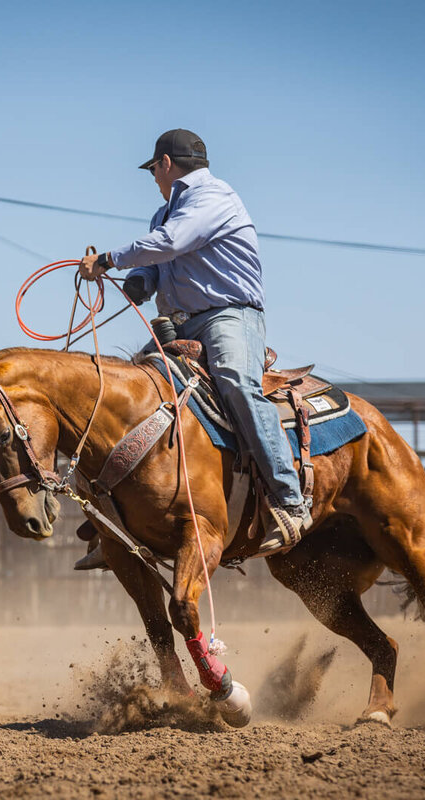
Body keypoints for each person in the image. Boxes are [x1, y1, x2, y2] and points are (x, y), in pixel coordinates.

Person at [77, 129, 312, 559]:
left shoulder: (214, 197)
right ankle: (114, 520)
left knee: (236, 382)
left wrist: (109, 259)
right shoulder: (163, 214)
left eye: (153, 170)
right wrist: (140, 281)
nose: (153, 179)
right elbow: (162, 260)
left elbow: (172, 243)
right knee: (132, 394)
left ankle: (290, 500)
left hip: (229, 316)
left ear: (165, 164)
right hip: (180, 326)